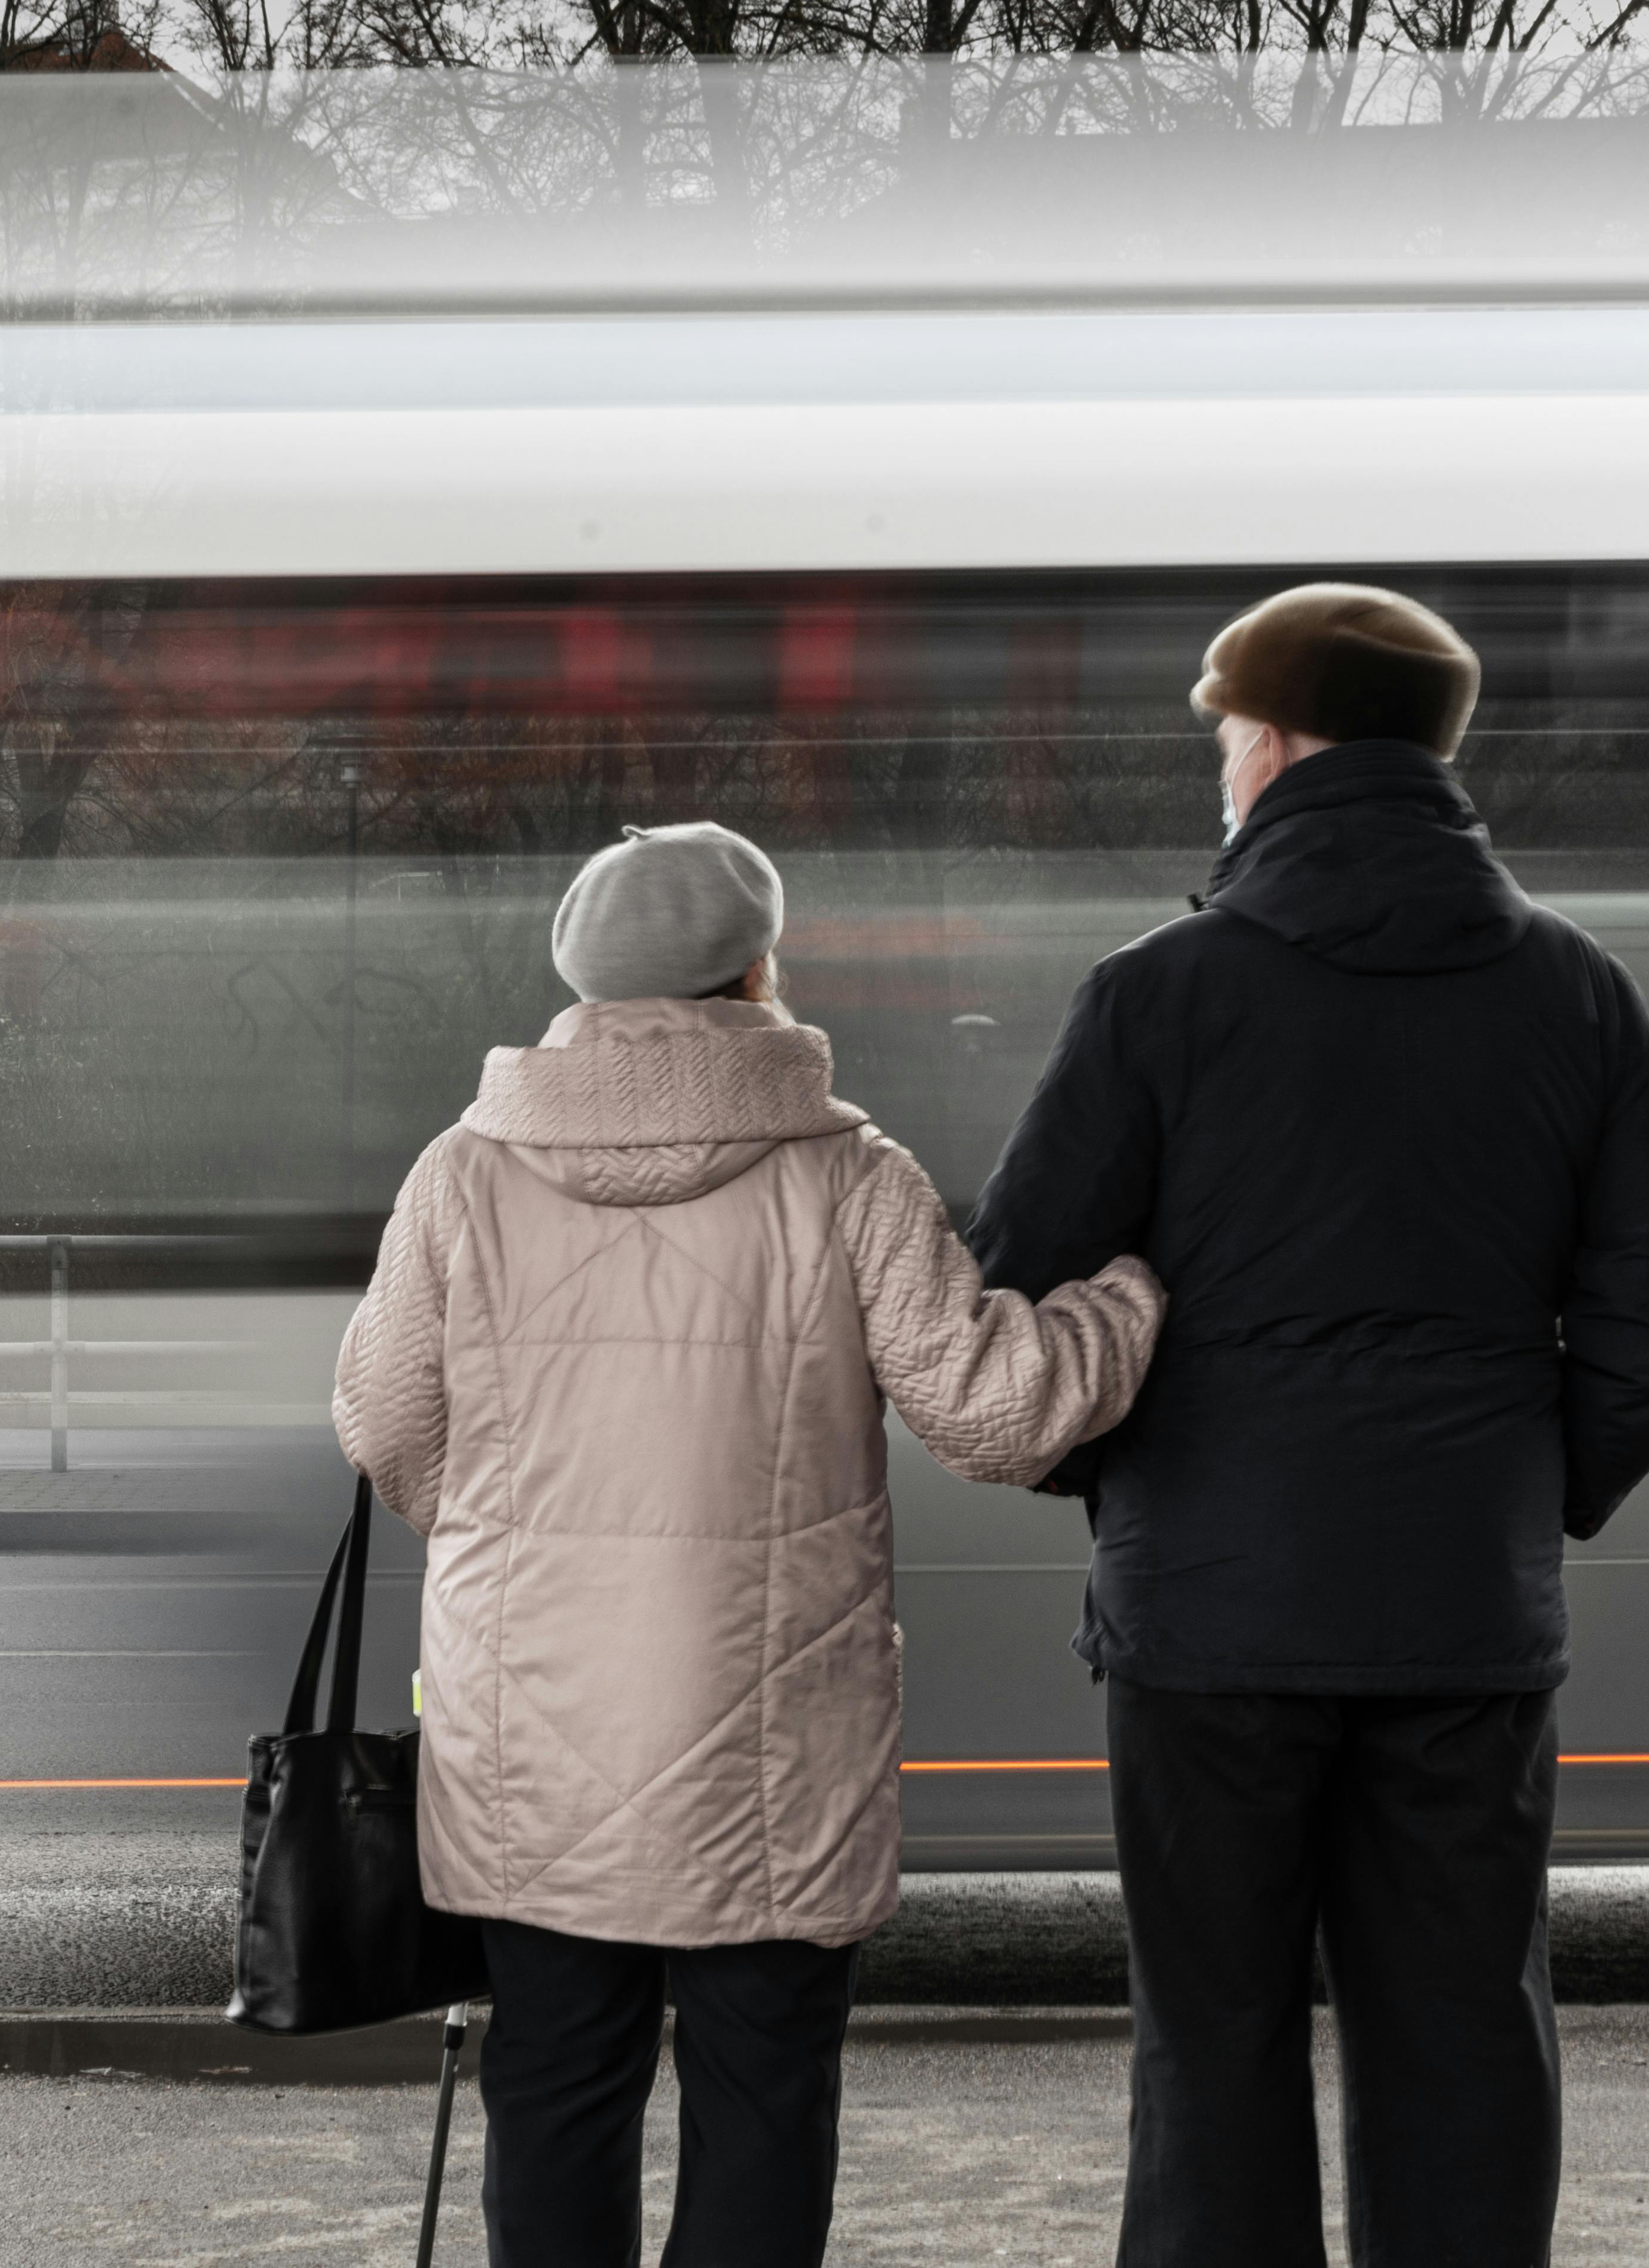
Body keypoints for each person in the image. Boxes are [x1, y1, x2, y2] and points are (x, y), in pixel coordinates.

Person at [966, 583, 1649, 2268]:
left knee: (1215, 2038)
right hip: (1462, 1606)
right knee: (1459, 2026)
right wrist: (1526, 1487)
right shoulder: (1574, 992)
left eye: (1227, 733)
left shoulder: (1156, 993)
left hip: (1210, 1619)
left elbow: (1015, 1290)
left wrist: (1145, 1474)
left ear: (1275, 741)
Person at [333, 819, 1165, 2268]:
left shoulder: (461, 1172)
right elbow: (997, 1416)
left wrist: (517, 1549)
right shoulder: (844, 1173)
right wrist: (1129, 1298)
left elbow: (383, 1421)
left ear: (576, 977)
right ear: (756, 969)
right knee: (764, 2098)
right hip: (771, 1750)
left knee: (553, 2088)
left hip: (528, 1730)